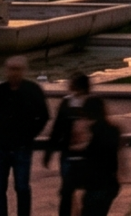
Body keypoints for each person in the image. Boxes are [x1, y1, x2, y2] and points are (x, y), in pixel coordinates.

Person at [0, 55, 48, 216]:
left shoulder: (32, 90)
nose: (13, 73)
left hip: (22, 147)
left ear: (23, 71)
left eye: (17, 69)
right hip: (1, 148)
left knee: (22, 187)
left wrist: (29, 135)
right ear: (6, 71)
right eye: (11, 69)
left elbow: (44, 115)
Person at [66, 95, 126, 216]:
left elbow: (89, 150)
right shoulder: (113, 130)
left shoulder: (95, 131)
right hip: (110, 183)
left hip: (97, 186)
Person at [44, 70, 92, 208]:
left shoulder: (85, 103)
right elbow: (57, 128)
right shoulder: (69, 102)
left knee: (71, 189)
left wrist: (49, 151)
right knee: (68, 190)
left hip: (79, 152)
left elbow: (57, 129)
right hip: (72, 151)